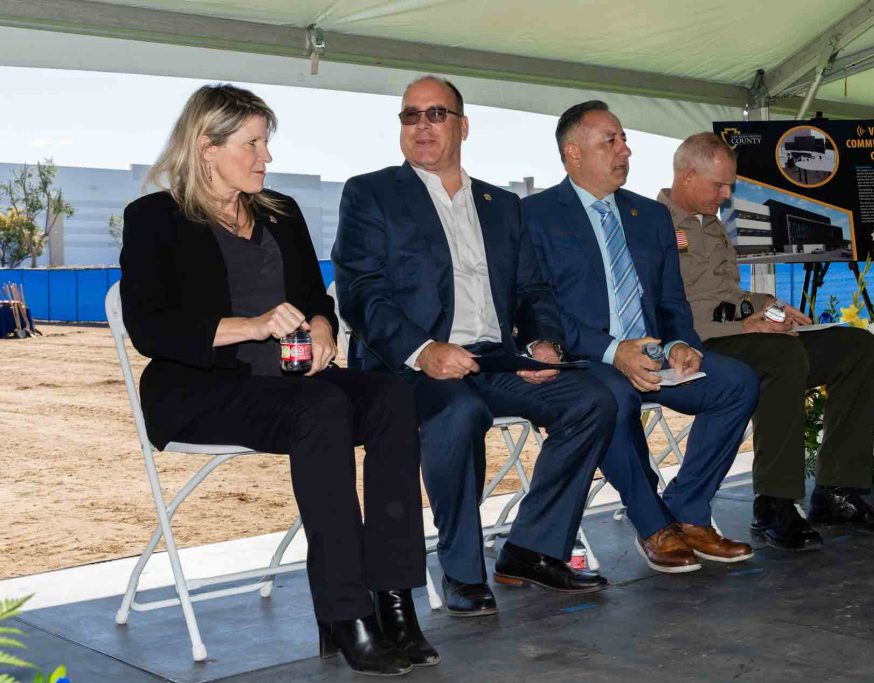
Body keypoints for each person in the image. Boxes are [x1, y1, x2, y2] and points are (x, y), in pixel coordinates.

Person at [119, 84, 436, 677]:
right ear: (207, 146)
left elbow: (318, 300)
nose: (266, 157)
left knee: (391, 394)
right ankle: (346, 611)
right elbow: (151, 329)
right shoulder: (155, 218)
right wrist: (251, 325)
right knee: (322, 410)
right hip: (201, 389)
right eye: (253, 143)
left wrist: (321, 327)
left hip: (292, 384)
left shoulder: (280, 212)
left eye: (267, 143)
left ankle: (394, 599)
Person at [334, 76, 616, 617]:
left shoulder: (502, 204)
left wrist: (542, 341)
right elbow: (360, 294)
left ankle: (533, 547)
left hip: (494, 357)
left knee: (591, 402)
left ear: (463, 127)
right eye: (410, 116)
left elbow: (532, 290)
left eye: (435, 114)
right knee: (458, 414)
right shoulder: (372, 193)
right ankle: (462, 568)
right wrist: (423, 349)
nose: (421, 126)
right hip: (409, 368)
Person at [523, 101, 759, 574]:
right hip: (587, 358)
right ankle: (652, 522)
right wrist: (614, 351)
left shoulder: (649, 216)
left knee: (737, 382)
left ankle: (689, 512)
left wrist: (680, 345)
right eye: (610, 141)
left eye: (624, 139)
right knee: (609, 396)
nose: (625, 150)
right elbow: (536, 305)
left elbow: (672, 301)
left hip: (655, 353)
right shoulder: (533, 215)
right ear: (572, 153)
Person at [657, 132, 874, 551]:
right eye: (719, 185)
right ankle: (774, 502)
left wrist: (769, 305)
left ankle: (837, 491)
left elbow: (727, 296)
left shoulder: (711, 223)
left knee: (857, 346)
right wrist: (744, 327)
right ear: (687, 175)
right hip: (696, 347)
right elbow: (665, 307)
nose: (727, 193)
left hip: (742, 335)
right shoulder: (651, 224)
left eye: (730, 185)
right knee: (782, 354)